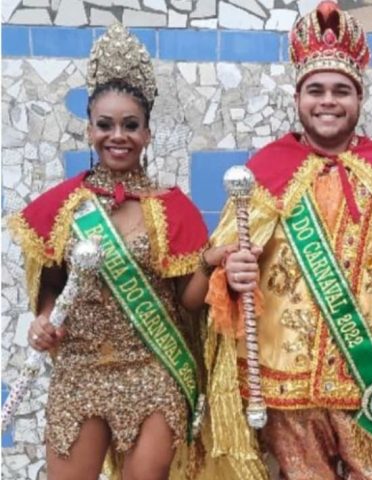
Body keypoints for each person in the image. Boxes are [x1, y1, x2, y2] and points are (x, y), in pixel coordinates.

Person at [202, 2, 372, 479]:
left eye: (341, 90)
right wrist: (230, 271)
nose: (328, 101)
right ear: (298, 97)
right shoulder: (263, 175)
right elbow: (221, 261)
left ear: (359, 99)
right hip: (288, 382)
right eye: (316, 90)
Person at [7, 23, 230, 480]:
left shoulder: (172, 208)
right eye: (105, 125)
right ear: (89, 128)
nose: (118, 136)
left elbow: (188, 302)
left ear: (147, 133)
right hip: (81, 367)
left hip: (153, 366)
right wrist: (44, 320)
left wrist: (207, 265)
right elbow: (52, 283)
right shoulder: (65, 207)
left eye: (131, 125)